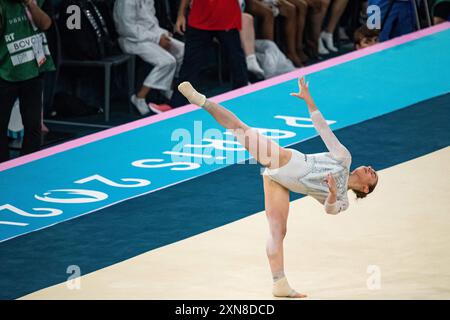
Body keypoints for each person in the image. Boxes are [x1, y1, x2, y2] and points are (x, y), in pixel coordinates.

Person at [177, 76, 379, 298]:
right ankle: (201, 100)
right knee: (240, 129)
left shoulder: (342, 200)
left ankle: (279, 283)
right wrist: (308, 100)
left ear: (366, 189)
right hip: (284, 160)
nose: (370, 168)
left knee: (278, 231)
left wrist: (331, 194)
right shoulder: (344, 158)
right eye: (370, 167)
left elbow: (330, 210)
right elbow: (323, 129)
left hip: (279, 180)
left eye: (373, 174)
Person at [161, 0, 248, 109]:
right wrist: (181, 15)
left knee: (236, 61)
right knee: (190, 64)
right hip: (199, 19)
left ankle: (244, 96)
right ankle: (176, 104)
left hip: (226, 17)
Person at [0, 0, 55, 163]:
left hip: (33, 68)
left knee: (33, 127)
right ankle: (4, 169)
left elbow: (46, 24)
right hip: (5, 72)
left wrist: (30, 4)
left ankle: (29, 166)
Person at [113, 0, 184, 115]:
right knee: (167, 61)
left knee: (182, 51)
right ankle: (140, 97)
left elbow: (152, 23)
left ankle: (167, 87)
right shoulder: (125, 2)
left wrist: (162, 34)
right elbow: (127, 29)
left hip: (151, 37)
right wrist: (156, 38)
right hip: (133, 40)